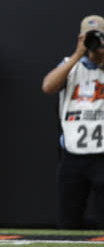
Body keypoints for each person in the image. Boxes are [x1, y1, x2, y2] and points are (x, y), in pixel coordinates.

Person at [42, 15, 104, 229]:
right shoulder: (71, 66)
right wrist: (78, 54)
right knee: (68, 222)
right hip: (72, 154)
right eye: (89, 37)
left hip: (102, 154)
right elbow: (48, 86)